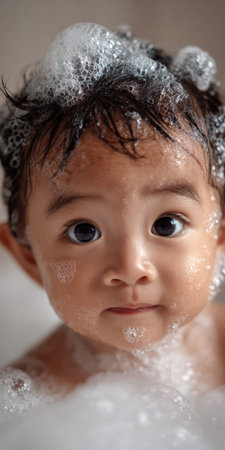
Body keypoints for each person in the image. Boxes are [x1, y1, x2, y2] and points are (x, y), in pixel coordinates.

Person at [0, 23, 225, 409]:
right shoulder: (31, 402)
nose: (130, 267)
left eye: (166, 224)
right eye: (84, 231)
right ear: (28, 256)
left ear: (218, 236)